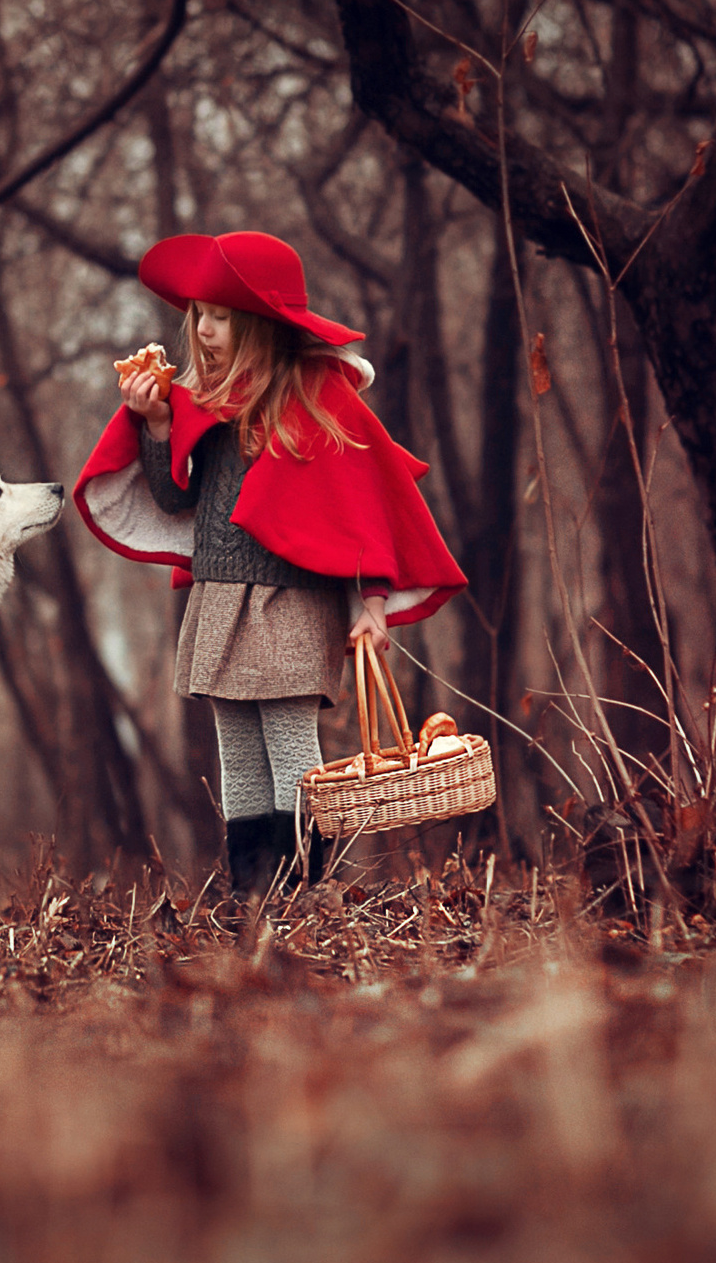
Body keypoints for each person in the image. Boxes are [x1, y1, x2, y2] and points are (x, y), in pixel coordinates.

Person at [74, 231, 466, 896]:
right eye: (198, 314)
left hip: (292, 604)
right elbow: (177, 501)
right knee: (239, 758)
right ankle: (253, 896)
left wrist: (373, 604)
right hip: (219, 599)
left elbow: (362, 508)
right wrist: (157, 427)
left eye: (221, 315)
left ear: (261, 323)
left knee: (291, 752)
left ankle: (304, 893)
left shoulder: (317, 400)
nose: (203, 328)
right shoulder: (198, 401)